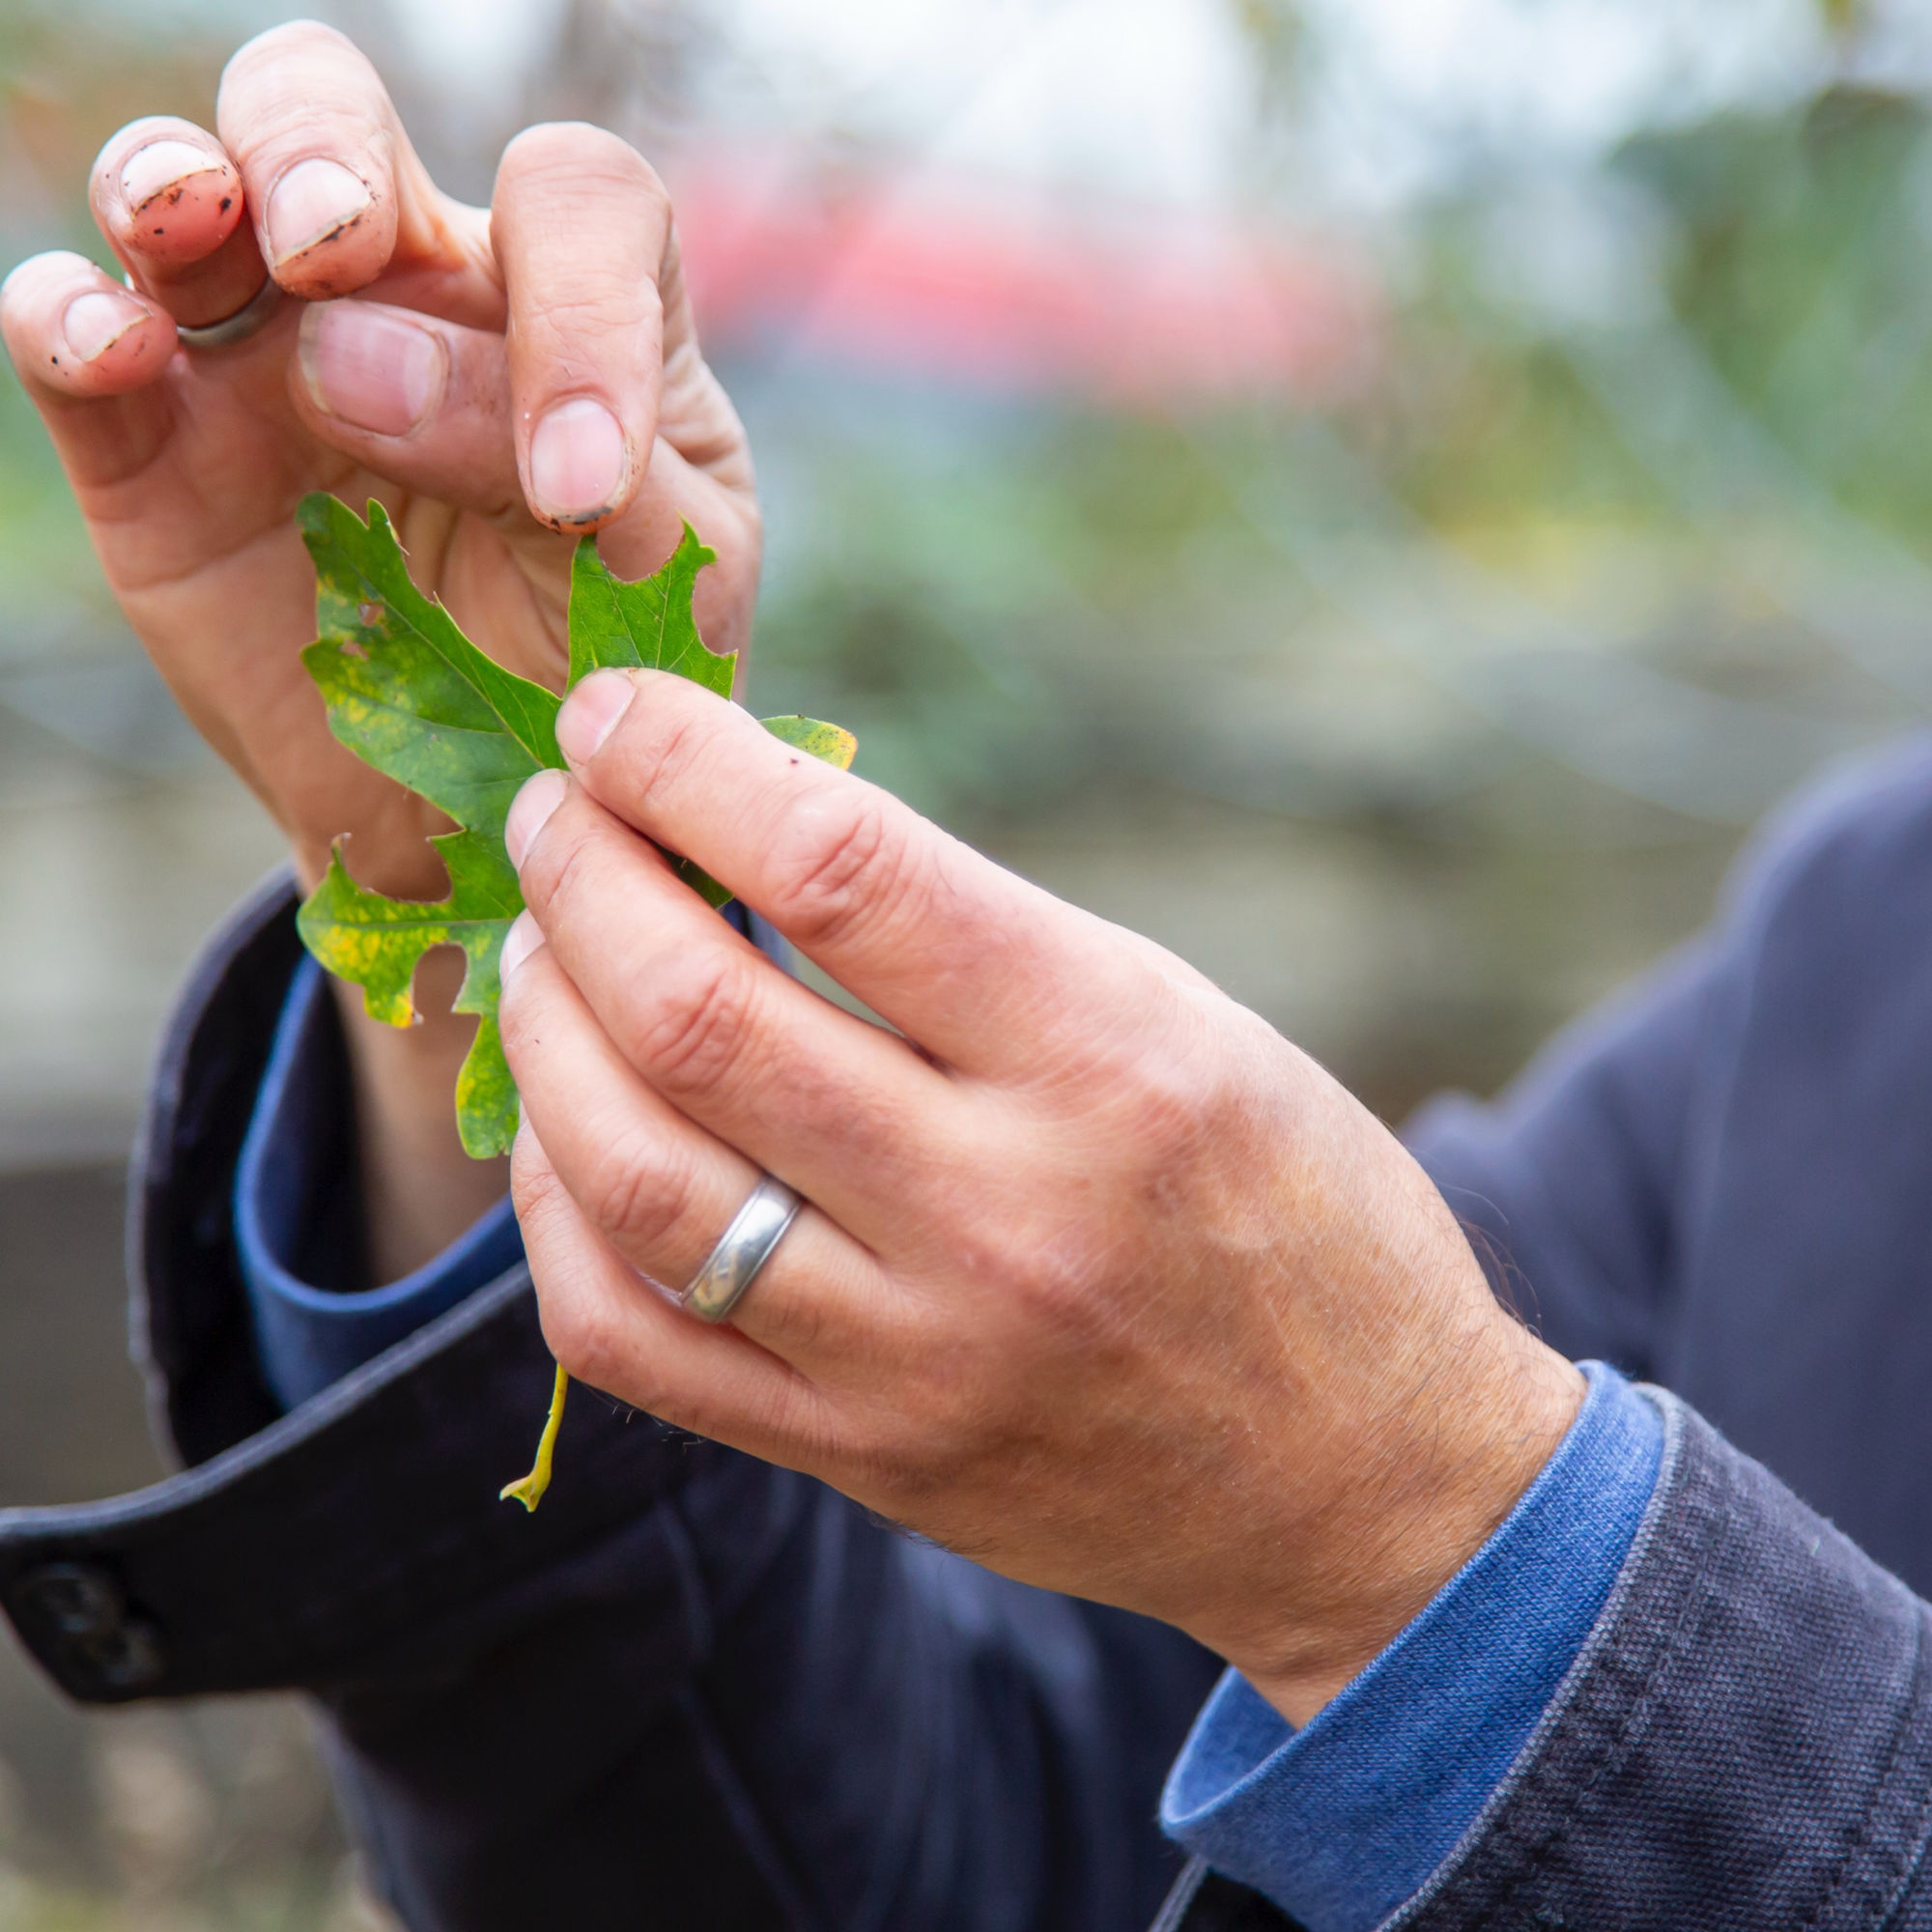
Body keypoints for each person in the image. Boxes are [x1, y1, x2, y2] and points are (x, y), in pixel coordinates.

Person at [4, 22, 1932, 1931]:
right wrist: (477, 940)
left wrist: (1413, 1543)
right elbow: (912, 1856)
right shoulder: (1857, 964)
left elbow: (1400, 1523)